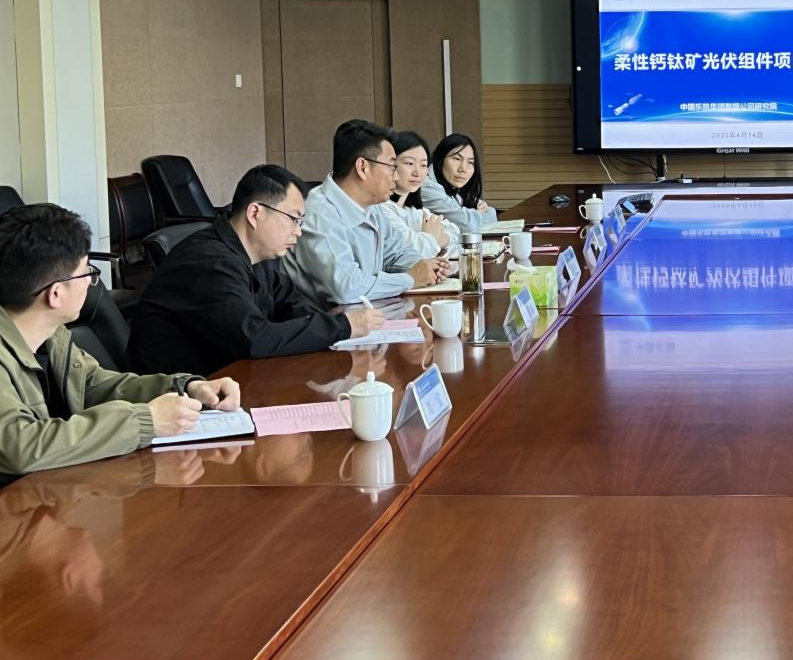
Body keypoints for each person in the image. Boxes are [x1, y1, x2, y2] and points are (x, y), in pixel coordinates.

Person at [0, 204, 241, 479]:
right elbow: (20, 447)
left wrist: (186, 387)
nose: (91, 282)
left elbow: (96, 386)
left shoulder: (53, 336)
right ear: (55, 294)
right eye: (86, 272)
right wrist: (144, 421)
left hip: (58, 489)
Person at [127, 164, 386, 376]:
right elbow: (254, 338)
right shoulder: (209, 263)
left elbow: (291, 304)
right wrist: (342, 327)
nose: (298, 231)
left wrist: (334, 327)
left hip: (225, 379)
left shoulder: (258, 256)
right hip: (174, 396)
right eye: (293, 219)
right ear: (255, 213)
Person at [283, 119, 453, 307]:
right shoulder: (320, 212)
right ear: (362, 167)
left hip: (366, 314)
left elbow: (396, 252)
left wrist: (427, 267)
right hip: (325, 319)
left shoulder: (372, 206)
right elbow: (346, 288)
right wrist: (410, 278)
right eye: (391, 167)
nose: (396, 176)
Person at [378, 131, 458, 259]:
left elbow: (455, 232)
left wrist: (433, 239)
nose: (418, 172)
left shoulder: (415, 211)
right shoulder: (380, 209)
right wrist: (433, 237)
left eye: (423, 165)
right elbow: (410, 251)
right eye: (409, 163)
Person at [421, 132, 499, 234]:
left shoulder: (456, 191)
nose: (463, 169)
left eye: (470, 162)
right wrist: (477, 213)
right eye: (457, 159)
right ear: (440, 159)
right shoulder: (425, 187)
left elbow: (492, 217)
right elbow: (468, 226)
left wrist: (475, 215)